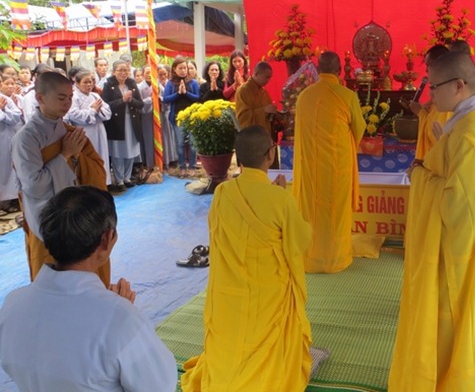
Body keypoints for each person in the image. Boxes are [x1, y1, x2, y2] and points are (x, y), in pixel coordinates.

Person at [389, 51, 475, 391]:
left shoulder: (470, 135)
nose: (430, 96)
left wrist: (421, 175)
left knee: (450, 333)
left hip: (457, 260)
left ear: (458, 85)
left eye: (434, 87)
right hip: (474, 250)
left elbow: (459, 209)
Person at [0, 186, 177, 392]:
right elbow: (159, 386)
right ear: (107, 239)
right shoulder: (121, 320)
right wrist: (119, 314)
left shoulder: (13, 304)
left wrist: (115, 311)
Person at [181, 126, 312, 392]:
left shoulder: (223, 193)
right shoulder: (280, 199)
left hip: (229, 293)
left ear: (237, 158)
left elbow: (217, 235)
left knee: (234, 334)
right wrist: (279, 196)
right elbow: (300, 241)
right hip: (268, 296)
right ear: (271, 155)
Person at [11, 71, 109, 285]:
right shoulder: (26, 138)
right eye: (61, 98)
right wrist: (65, 155)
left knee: (84, 273)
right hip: (47, 219)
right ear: (40, 97)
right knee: (53, 276)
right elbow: (34, 186)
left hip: (75, 214)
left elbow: (90, 168)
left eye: (70, 98)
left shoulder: (67, 130)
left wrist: (76, 157)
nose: (67, 103)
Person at [292, 51, 365, 273]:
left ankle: (311, 257)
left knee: (311, 210)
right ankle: (336, 258)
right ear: (340, 70)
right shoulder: (347, 96)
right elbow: (359, 128)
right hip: (337, 167)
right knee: (336, 212)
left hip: (310, 167)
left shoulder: (304, 96)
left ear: (317, 69)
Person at [405, 45, 454, 161]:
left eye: (428, 65)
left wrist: (420, 112)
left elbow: (435, 134)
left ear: (440, 65)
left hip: (437, 162)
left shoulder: (447, 93)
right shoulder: (441, 91)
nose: (426, 70)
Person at [102, 59, 145, 192]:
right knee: (118, 152)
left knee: (130, 150)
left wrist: (130, 100)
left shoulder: (131, 83)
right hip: (117, 123)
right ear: (114, 72)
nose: (123, 73)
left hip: (132, 122)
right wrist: (122, 100)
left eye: (126, 70)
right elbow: (106, 105)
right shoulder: (108, 85)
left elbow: (140, 104)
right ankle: (119, 179)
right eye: (120, 70)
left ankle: (127, 178)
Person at [65, 69, 112, 187]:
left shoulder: (95, 95)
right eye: (85, 82)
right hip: (84, 131)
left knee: (101, 155)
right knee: (87, 157)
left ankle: (103, 182)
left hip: (99, 129)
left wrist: (98, 110)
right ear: (77, 83)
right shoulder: (74, 97)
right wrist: (92, 110)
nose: (88, 85)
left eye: (90, 82)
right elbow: (72, 114)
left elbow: (107, 111)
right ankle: (89, 183)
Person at [163, 56, 201, 178]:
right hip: (177, 118)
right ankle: (182, 167)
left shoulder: (193, 82)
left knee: (193, 143)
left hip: (192, 117)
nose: (184, 70)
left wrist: (186, 93)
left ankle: (192, 166)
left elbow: (198, 98)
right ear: (174, 69)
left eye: (185, 68)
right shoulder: (170, 83)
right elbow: (166, 99)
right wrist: (178, 93)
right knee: (180, 143)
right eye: (181, 68)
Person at [0, 76, 23, 213]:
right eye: (6, 83)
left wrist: (4, 110)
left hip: (8, 139)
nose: (9, 86)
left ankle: (11, 199)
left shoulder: (5, 99)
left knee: (10, 170)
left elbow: (16, 116)